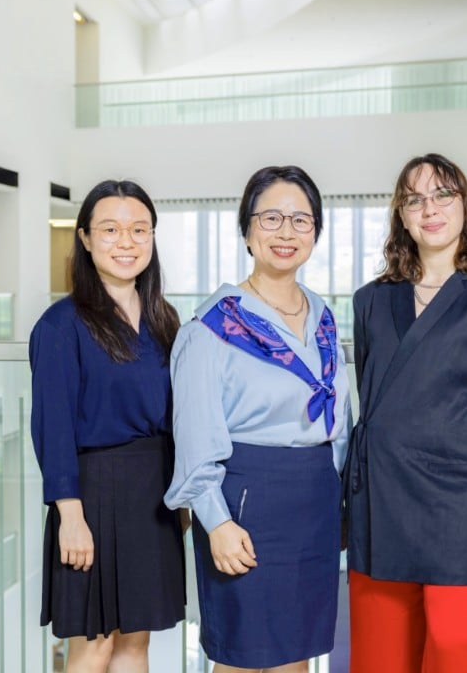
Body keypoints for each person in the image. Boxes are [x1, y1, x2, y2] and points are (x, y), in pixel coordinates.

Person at [345, 153, 467, 673]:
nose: (429, 208)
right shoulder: (370, 301)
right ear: (402, 216)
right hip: (380, 501)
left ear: (465, 206)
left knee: (458, 651)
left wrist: (455, 450)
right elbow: (374, 392)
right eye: (415, 199)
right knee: (381, 655)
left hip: (462, 504)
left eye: (443, 195)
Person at [165, 165, 350, 673]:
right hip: (246, 502)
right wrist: (216, 521)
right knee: (243, 657)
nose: (286, 232)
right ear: (246, 231)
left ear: (316, 232)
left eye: (300, 220)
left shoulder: (324, 316)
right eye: (271, 218)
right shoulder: (213, 326)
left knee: (295, 655)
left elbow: (340, 417)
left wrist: (339, 500)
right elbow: (194, 435)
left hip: (314, 501)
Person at [29, 180, 184, 672]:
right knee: (93, 643)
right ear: (85, 238)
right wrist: (69, 515)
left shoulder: (165, 320)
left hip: (153, 494)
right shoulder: (61, 325)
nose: (127, 242)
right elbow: (52, 429)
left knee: (135, 642)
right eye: (111, 230)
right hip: (91, 495)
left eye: (140, 230)